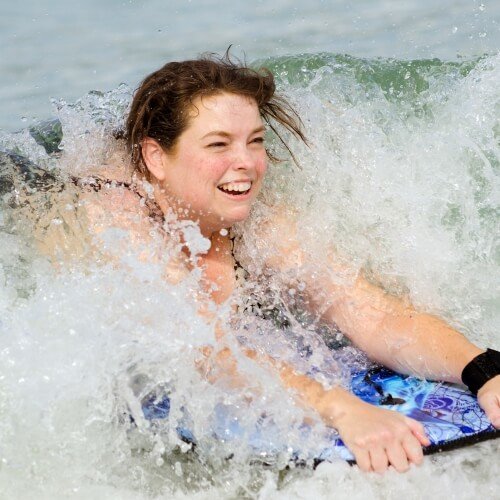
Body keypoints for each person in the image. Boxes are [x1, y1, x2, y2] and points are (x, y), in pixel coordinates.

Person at [75, 52, 500, 473]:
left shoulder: (257, 222)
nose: (248, 163)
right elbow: (206, 354)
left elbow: (369, 311)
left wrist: (481, 369)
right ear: (154, 158)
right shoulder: (119, 221)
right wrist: (338, 407)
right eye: (219, 144)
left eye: (255, 140)